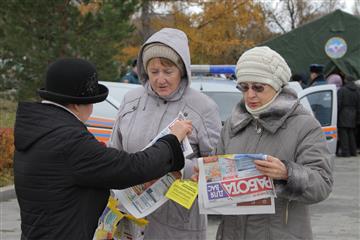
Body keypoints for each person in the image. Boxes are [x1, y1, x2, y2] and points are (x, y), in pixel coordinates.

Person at [13, 58, 192, 239]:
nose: (91, 110)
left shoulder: (39, 130)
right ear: (76, 104)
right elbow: (132, 167)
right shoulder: (69, 141)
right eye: (91, 103)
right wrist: (172, 139)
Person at [109, 28, 222, 239]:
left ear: (182, 70)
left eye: (168, 71)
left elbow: (218, 166)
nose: (160, 79)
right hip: (130, 220)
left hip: (178, 221)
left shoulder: (203, 107)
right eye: (154, 71)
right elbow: (114, 151)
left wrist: (182, 169)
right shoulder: (131, 100)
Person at [215, 46, 333, 240]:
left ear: (277, 86)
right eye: (244, 87)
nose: (250, 95)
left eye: (258, 87)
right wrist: (205, 176)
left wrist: (288, 174)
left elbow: (323, 184)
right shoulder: (232, 124)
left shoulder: (305, 125)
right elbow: (218, 170)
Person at [337, 75, 360, 157]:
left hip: (343, 113)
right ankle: (353, 152)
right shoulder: (357, 91)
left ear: (346, 80)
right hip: (354, 114)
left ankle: (345, 152)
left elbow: (338, 104)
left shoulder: (342, 90)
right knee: (351, 134)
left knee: (344, 134)